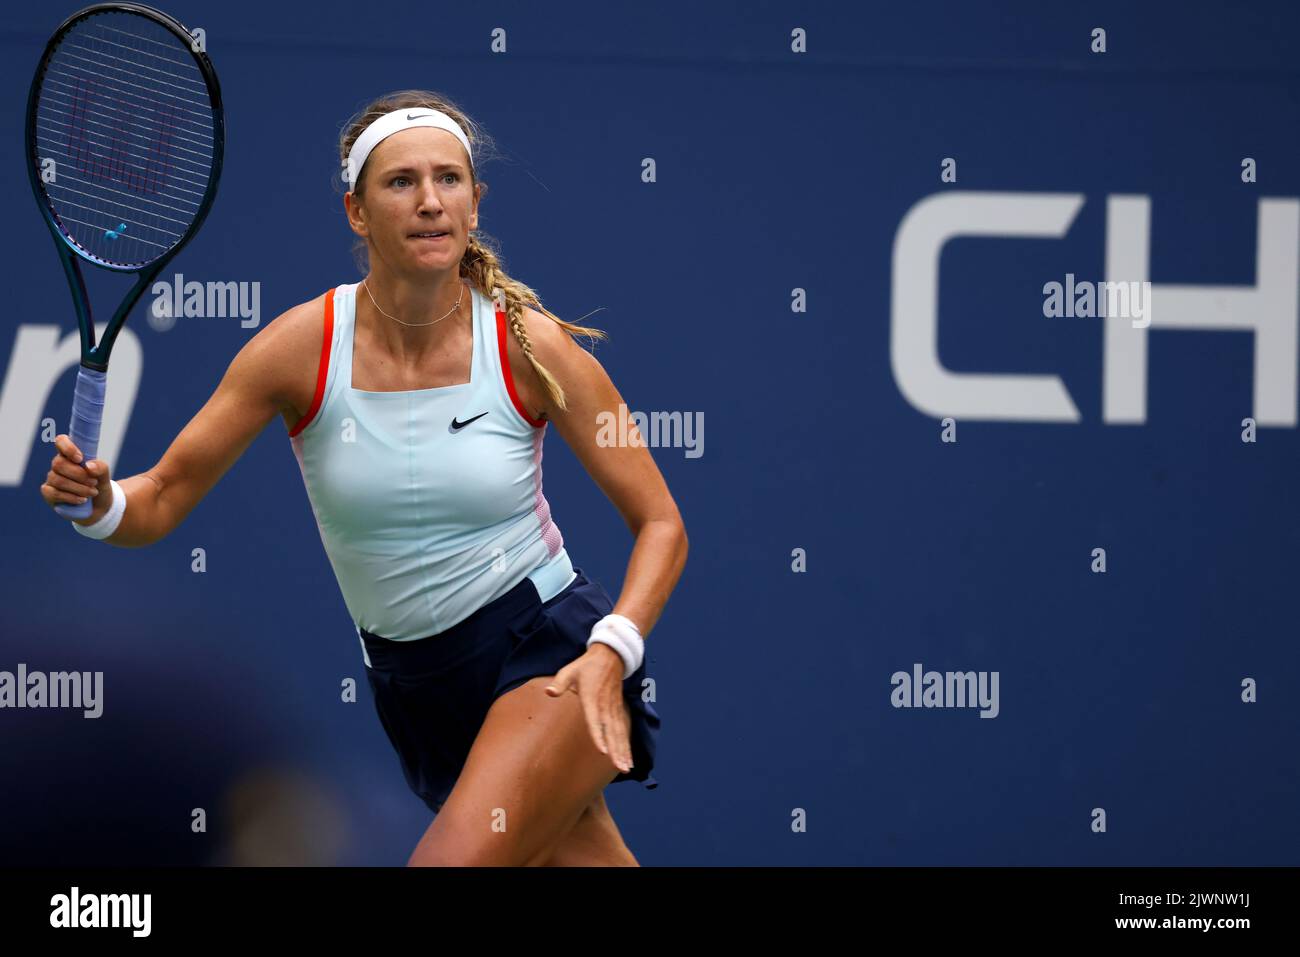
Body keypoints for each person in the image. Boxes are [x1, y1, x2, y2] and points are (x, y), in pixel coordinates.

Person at [39, 90, 688, 867]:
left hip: (549, 655)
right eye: (400, 182)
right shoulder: (297, 348)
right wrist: (99, 501)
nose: (429, 202)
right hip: (417, 691)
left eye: (449, 180)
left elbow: (662, 523)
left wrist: (614, 648)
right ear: (356, 210)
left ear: (475, 205)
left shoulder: (528, 347)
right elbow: (161, 498)